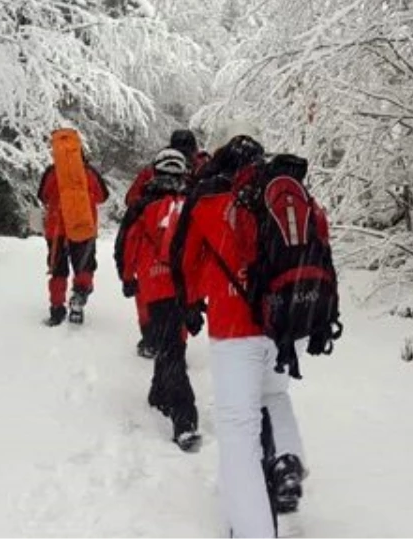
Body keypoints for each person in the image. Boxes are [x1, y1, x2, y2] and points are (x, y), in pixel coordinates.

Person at [170, 126, 319, 538]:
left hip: (236, 330)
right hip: (289, 324)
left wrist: (194, 303)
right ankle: (287, 459)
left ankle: (252, 528)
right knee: (274, 393)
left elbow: (185, 266)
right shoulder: (285, 194)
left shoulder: (208, 201)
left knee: (238, 432)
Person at [115, 149, 201, 451]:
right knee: (173, 347)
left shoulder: (142, 206)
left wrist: (127, 277)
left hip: (154, 286)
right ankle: (171, 407)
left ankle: (171, 408)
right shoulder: (191, 206)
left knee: (170, 349)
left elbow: (126, 243)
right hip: (184, 288)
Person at [124, 129, 210, 356]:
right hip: (187, 244)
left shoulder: (152, 170)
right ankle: (176, 344)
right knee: (182, 293)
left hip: (152, 242)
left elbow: (131, 200)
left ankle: (151, 339)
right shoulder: (202, 169)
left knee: (148, 290)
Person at [37, 138, 109, 326]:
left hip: (57, 229)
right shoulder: (90, 173)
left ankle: (56, 309)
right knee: (84, 266)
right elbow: (103, 196)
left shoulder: (52, 172)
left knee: (58, 270)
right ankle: (79, 296)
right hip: (83, 227)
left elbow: (43, 196)